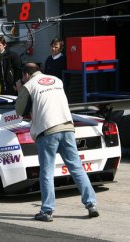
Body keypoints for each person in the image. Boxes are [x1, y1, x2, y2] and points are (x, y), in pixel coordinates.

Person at [15, 63, 99, 222]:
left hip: (47, 131)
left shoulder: (29, 85)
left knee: (46, 172)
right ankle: (91, 204)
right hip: (67, 127)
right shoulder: (56, 80)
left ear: (26, 75)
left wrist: (21, 89)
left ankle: (47, 211)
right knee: (76, 167)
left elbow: (19, 110)